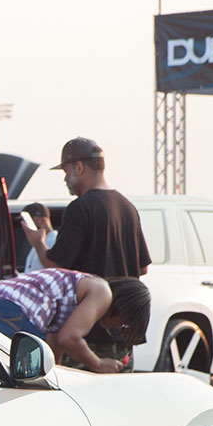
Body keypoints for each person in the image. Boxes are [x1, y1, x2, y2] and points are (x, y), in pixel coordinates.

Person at [24, 138, 152, 372]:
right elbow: (142, 268)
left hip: (83, 338)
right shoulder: (128, 208)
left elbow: (55, 265)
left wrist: (38, 243)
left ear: (78, 167)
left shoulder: (80, 208)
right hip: (123, 334)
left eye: (65, 171)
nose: (65, 179)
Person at [0, 268, 150, 374]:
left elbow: (55, 342)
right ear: (124, 308)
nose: (118, 326)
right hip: (11, 308)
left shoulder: (76, 288)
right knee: (24, 380)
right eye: (124, 322)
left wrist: (58, 375)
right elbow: (69, 338)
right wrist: (98, 364)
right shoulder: (102, 292)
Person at [21, 203, 57, 273]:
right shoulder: (39, 241)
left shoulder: (54, 241)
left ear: (42, 220)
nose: (24, 225)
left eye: (28, 221)